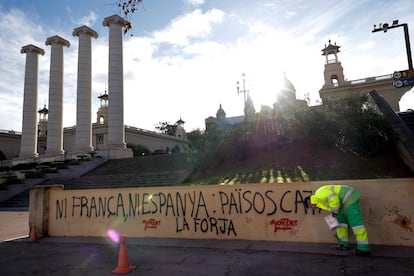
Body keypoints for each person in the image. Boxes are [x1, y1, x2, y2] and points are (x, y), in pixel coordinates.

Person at [304, 185, 371, 256]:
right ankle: (343, 244)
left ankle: (363, 249)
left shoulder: (319, 194)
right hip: (342, 204)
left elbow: (334, 198)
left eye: (310, 207)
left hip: (349, 198)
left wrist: (334, 212)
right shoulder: (319, 202)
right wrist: (334, 215)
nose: (312, 209)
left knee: (357, 225)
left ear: (310, 203)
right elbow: (333, 204)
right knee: (341, 223)